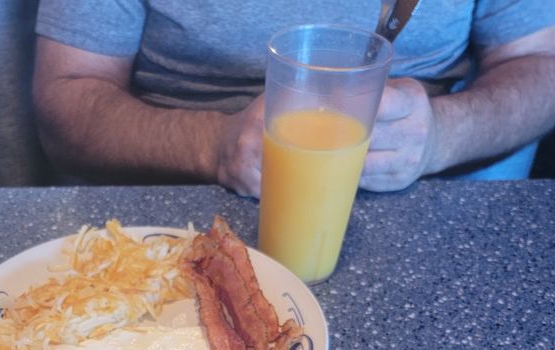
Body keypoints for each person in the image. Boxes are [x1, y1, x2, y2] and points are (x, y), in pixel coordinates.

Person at [32, 0, 555, 194]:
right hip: (179, 208)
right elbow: (66, 102)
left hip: (436, 208)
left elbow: (541, 68)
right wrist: (213, 145)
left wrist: (444, 133)